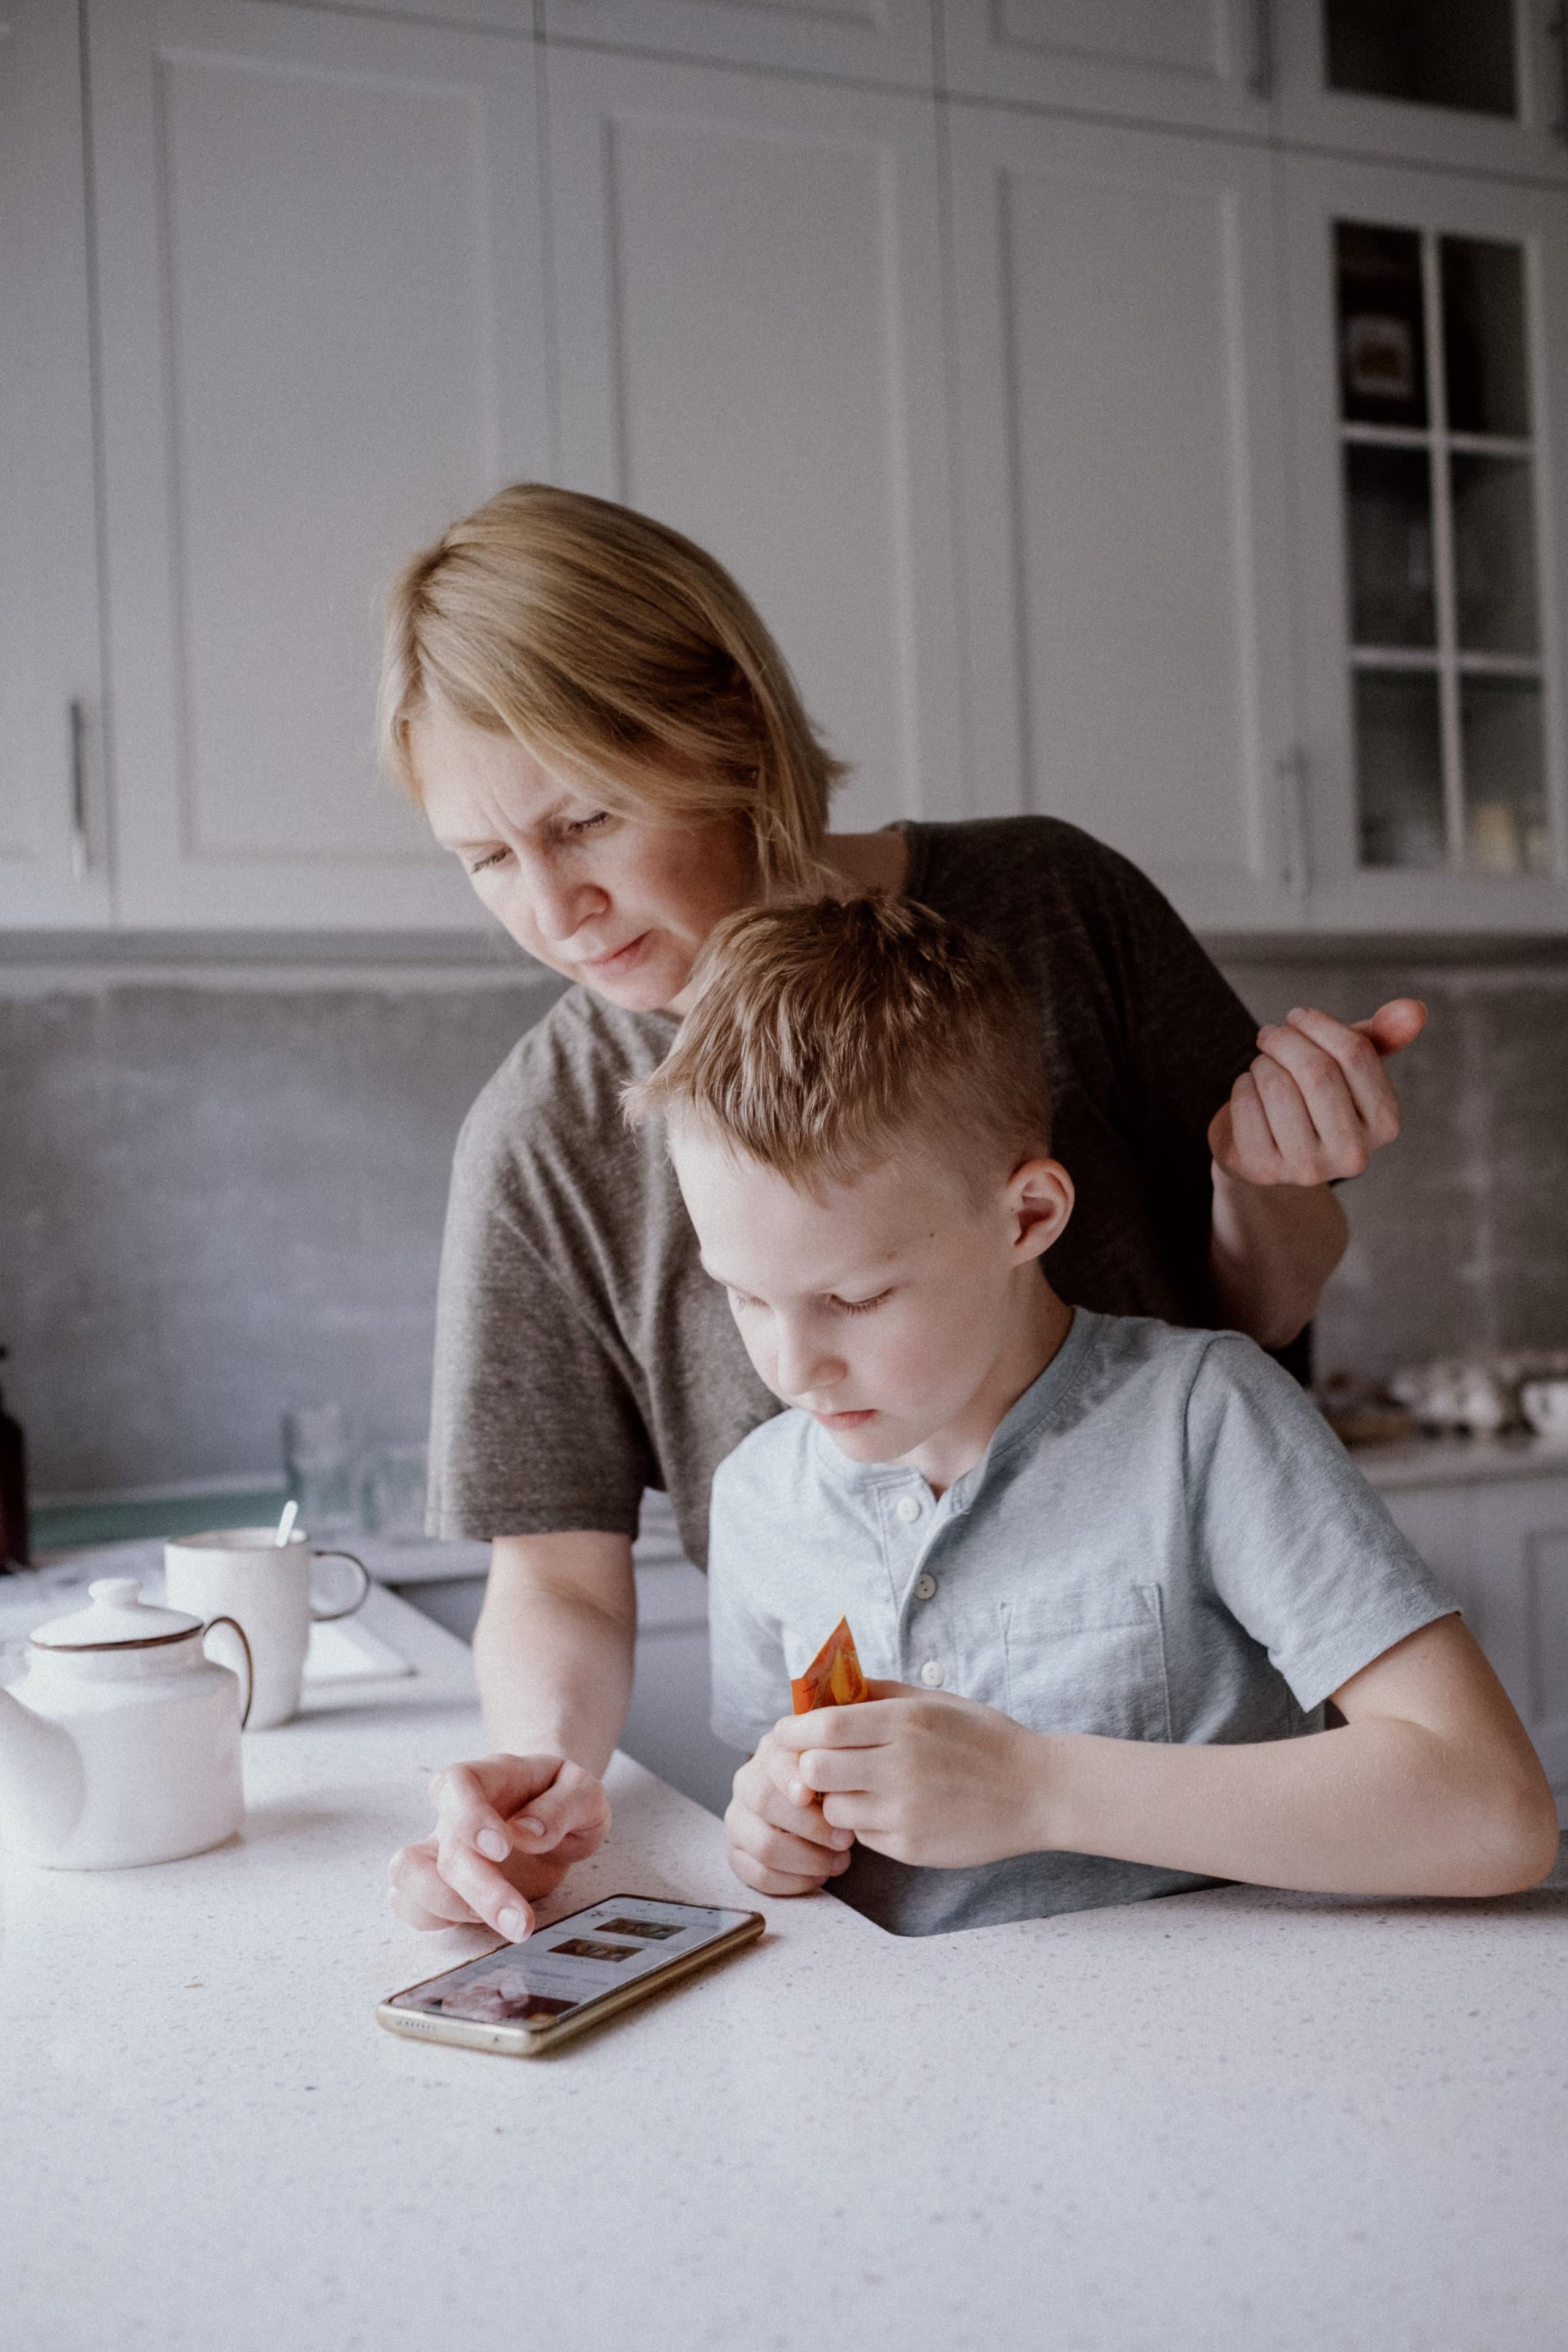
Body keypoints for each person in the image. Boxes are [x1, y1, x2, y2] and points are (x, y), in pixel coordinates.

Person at [380, 482, 1430, 1944]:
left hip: (1215, 1830)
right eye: (488, 859)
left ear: (729, 720)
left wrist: (1270, 1187)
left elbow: (1249, 1321)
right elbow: (556, 1571)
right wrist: (544, 1770)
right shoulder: (540, 1134)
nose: (554, 911)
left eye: (587, 820)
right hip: (910, 1914)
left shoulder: (1056, 906)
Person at [624, 895, 1557, 1932]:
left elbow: (1494, 1812)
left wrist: (1037, 1787)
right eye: (746, 1297)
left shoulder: (1202, 1422)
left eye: (855, 1297)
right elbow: (784, 1805)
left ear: (1028, 1215)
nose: (793, 1366)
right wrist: (771, 1835)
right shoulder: (759, 1495)